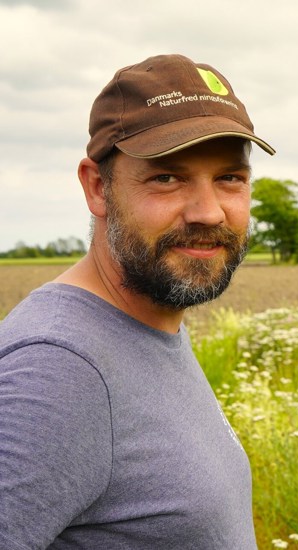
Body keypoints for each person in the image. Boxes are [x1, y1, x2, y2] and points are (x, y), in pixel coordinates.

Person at [0, 54, 275, 548]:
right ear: (97, 187)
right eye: (167, 178)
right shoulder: (59, 370)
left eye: (229, 178)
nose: (208, 212)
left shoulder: (147, 324)